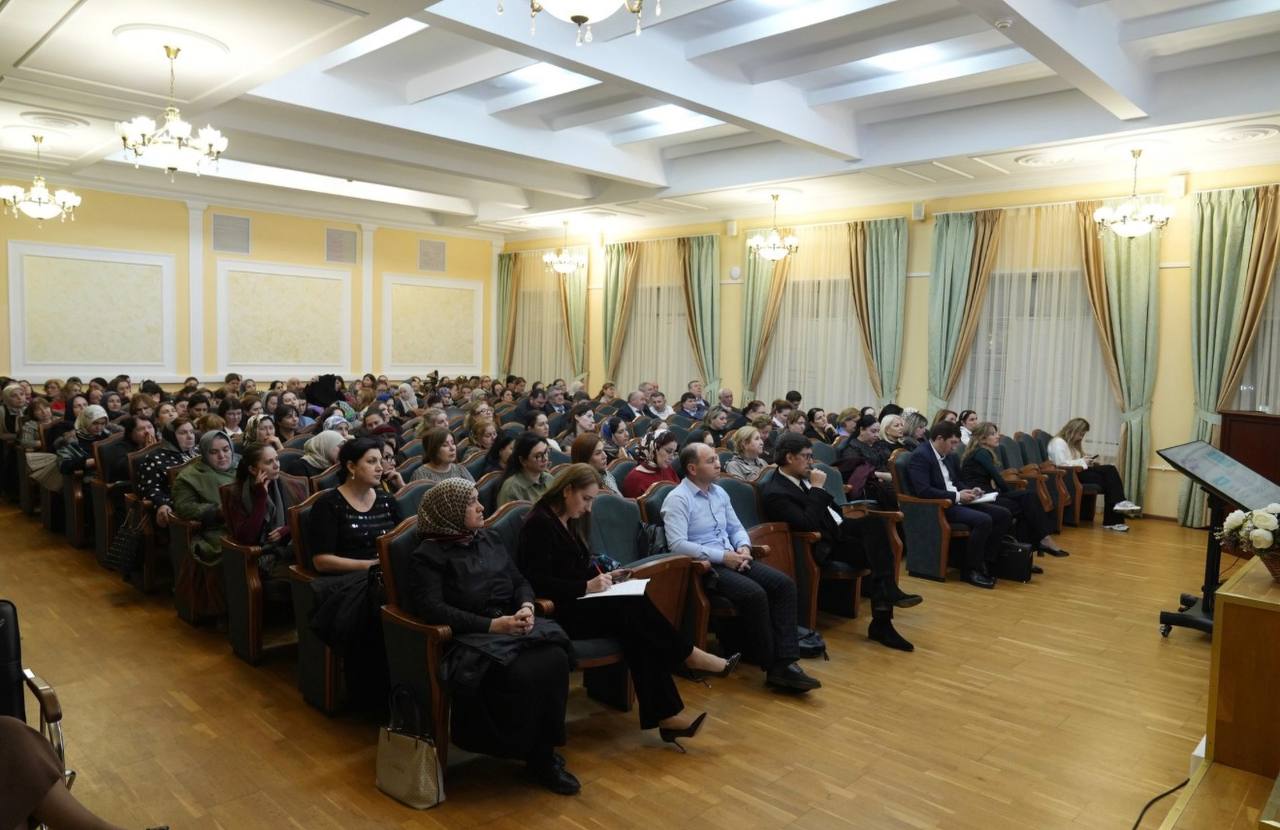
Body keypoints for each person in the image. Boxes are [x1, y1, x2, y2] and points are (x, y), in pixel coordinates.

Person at [518, 464, 737, 743]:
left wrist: (604, 576)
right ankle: (687, 656)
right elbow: (535, 582)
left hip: (584, 601)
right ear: (567, 490)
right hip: (560, 611)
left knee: (638, 626)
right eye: (586, 499)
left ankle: (669, 714)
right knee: (633, 611)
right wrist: (585, 585)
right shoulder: (539, 522)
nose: (588, 508)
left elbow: (577, 566)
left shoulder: (568, 518)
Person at [404, 479, 579, 795]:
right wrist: (492, 625)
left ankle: (541, 755)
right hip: (468, 636)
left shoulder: (489, 537)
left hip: (509, 624)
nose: (482, 506)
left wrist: (526, 606)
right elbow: (433, 610)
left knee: (554, 657)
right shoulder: (429, 555)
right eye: (473, 502)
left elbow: (519, 580)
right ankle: (528, 752)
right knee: (524, 671)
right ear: (452, 512)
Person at [662, 443, 820, 691]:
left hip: (735, 557)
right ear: (692, 468)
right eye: (711, 460)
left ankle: (787, 661)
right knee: (755, 593)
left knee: (784, 585)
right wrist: (723, 556)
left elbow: (736, 527)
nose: (718, 464)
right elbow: (678, 544)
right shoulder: (677, 499)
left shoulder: (719, 492)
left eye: (717, 458)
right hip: (706, 567)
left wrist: (744, 546)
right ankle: (772, 665)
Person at [763, 433, 922, 652]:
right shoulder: (776, 491)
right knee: (878, 558)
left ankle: (885, 608)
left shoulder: (802, 479)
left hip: (836, 531)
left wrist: (818, 491)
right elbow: (807, 523)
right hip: (818, 545)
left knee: (874, 525)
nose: (811, 462)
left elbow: (830, 510)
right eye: (806, 457)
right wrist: (818, 489)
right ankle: (883, 619)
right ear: (790, 457)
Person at [305, 438, 402, 709]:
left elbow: (401, 541)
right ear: (351, 466)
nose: (380, 467)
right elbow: (322, 561)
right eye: (371, 461)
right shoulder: (329, 504)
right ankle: (374, 696)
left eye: (381, 460)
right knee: (379, 602)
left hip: (382, 574)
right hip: (346, 580)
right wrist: (370, 566)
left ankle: (411, 681)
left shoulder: (385, 499)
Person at [906, 421, 1014, 589]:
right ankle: (970, 571)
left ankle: (987, 561)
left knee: (1003, 514)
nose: (955, 447)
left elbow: (956, 481)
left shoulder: (950, 455)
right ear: (940, 439)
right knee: (983, 520)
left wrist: (971, 491)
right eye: (953, 443)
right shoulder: (921, 456)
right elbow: (924, 491)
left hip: (955, 500)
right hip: (940, 506)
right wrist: (957, 496)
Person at [961, 422, 1068, 556]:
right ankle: (1034, 546)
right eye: (993, 434)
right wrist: (1009, 493)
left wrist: (1009, 493)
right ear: (982, 438)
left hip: (988, 494)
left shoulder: (982, 451)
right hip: (980, 496)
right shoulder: (981, 452)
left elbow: (996, 479)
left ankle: (1025, 553)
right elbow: (997, 478)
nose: (997, 436)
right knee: (1027, 502)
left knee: (1029, 498)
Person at [225, 443, 310, 582]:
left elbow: (307, 518)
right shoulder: (239, 493)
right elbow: (247, 537)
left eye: (277, 459)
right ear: (253, 469)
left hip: (293, 546)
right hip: (263, 555)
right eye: (269, 462)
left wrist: (287, 529)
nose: (276, 465)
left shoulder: (292, 485)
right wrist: (260, 498)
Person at [1048, 418, 1141, 531]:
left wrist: (1086, 460)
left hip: (1077, 472)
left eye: (1083, 434)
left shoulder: (1072, 444)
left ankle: (1114, 516)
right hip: (1067, 476)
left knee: (1110, 480)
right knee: (1110, 471)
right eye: (1080, 434)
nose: (1081, 437)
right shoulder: (1058, 442)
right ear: (1072, 430)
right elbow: (1061, 464)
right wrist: (1082, 461)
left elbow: (1074, 460)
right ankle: (1116, 514)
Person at [172, 429, 237, 567]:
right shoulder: (189, 476)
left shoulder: (243, 465)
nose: (222, 456)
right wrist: (216, 511)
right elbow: (184, 507)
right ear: (204, 454)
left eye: (226, 449)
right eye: (214, 452)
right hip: (216, 529)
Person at [136, 418, 199, 528]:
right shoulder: (155, 458)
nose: (190, 436)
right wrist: (162, 504)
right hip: (178, 509)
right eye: (183, 433)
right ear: (171, 436)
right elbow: (150, 488)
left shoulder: (199, 453)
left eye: (192, 432)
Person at [497, 431, 553, 506]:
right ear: (523, 460)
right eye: (538, 456)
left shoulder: (549, 478)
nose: (545, 459)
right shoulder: (512, 489)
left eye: (546, 452)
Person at [620, 429, 679, 498]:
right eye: (668, 451)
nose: (672, 458)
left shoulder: (668, 469)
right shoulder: (634, 480)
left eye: (674, 453)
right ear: (653, 448)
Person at [411, 427, 475, 486]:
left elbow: (475, 494)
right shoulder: (421, 475)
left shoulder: (460, 469)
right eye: (445, 445)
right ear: (433, 449)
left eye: (453, 443)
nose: (452, 448)